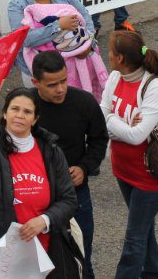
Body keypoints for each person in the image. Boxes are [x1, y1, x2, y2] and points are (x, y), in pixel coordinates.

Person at [0, 88, 80, 270]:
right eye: (14, 109)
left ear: (35, 119)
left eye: (27, 111)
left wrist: (44, 220)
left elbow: (69, 200)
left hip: (45, 250)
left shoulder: (51, 151)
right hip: (0, 252)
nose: (20, 115)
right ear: (4, 113)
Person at [100, 29, 158, 278]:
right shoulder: (114, 77)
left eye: (110, 52)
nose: (107, 55)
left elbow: (136, 136)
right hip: (124, 170)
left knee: (134, 239)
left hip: (150, 178)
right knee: (143, 230)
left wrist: (112, 120)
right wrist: (120, 123)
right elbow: (104, 114)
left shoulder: (154, 89)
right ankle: (154, 274)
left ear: (120, 57)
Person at [30, 51, 106, 279]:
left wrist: (85, 167)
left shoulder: (84, 102)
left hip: (76, 195)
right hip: (35, 196)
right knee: (40, 263)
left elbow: (99, 139)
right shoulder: (24, 107)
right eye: (52, 85)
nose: (61, 89)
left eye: (64, 80)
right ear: (36, 83)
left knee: (81, 259)